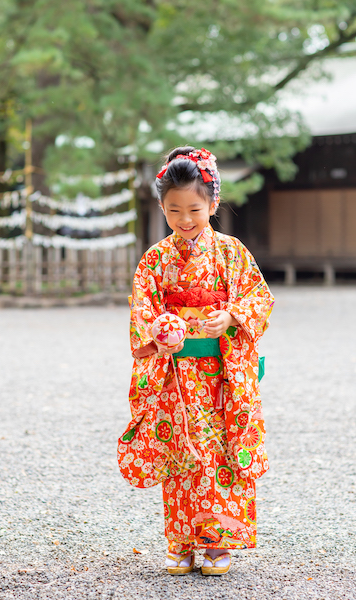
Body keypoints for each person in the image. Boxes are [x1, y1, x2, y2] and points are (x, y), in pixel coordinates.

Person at [117, 146, 274, 575]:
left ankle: (216, 544)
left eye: (194, 209)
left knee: (220, 455)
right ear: (162, 207)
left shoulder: (232, 252)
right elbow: (142, 311)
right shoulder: (155, 259)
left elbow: (259, 297)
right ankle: (181, 542)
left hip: (222, 375)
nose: (185, 220)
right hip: (174, 374)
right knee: (181, 453)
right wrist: (157, 332)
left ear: (213, 203)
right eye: (173, 211)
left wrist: (231, 314)